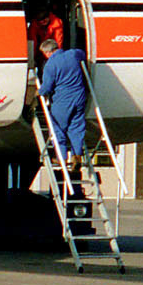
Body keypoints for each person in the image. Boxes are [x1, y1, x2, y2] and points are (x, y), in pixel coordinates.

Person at [37, 38, 90, 179]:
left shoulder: (50, 65)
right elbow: (83, 54)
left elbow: (47, 87)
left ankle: (61, 157)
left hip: (62, 100)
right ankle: (77, 156)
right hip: (79, 97)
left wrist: (38, 92)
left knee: (57, 128)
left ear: (48, 52)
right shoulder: (73, 54)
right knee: (76, 127)